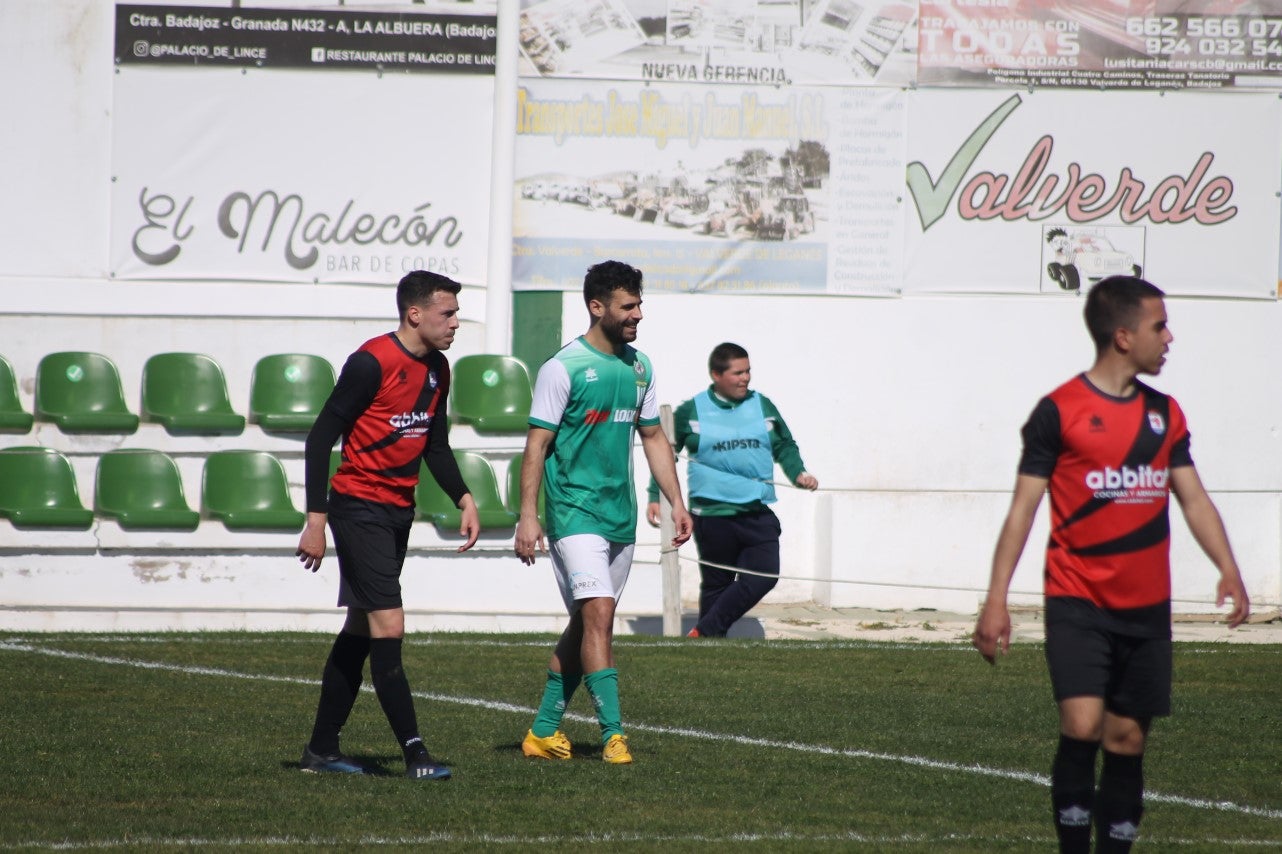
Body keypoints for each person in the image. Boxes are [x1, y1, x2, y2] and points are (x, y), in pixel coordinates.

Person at [972, 275, 1249, 853]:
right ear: (1123, 336)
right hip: (1079, 602)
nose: (1169, 338)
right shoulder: (1060, 411)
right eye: (1159, 326)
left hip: (1146, 608)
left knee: (1126, 740)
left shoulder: (1165, 414)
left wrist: (1228, 566)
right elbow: (1023, 510)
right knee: (1081, 726)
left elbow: (1192, 497)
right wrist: (996, 600)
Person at [295, 270, 480, 781]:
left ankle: (320, 750)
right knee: (389, 625)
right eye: (448, 313)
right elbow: (320, 439)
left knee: (360, 627)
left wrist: (463, 496)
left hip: (397, 511)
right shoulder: (371, 362)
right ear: (414, 314)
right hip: (358, 508)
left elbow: (434, 444)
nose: (455, 323)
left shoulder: (439, 367)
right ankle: (416, 754)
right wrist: (316, 520)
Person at [514, 260, 693, 764]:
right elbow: (536, 445)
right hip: (573, 512)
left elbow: (654, 436)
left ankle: (543, 732)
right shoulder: (562, 367)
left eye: (639, 305)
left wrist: (677, 502)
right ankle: (614, 735)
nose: (638, 314)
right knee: (600, 617)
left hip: (621, 516)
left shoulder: (641, 367)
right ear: (597, 308)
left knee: (586, 622)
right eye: (628, 306)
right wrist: (529, 515)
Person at [644, 342, 818, 638]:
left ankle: (705, 631)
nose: (745, 378)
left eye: (748, 371)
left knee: (764, 575)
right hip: (711, 515)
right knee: (716, 584)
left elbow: (784, 444)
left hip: (755, 511)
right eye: (738, 372)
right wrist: (655, 496)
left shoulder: (762, 404)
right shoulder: (692, 410)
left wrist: (798, 472)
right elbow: (663, 452)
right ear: (716, 375)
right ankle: (709, 648)